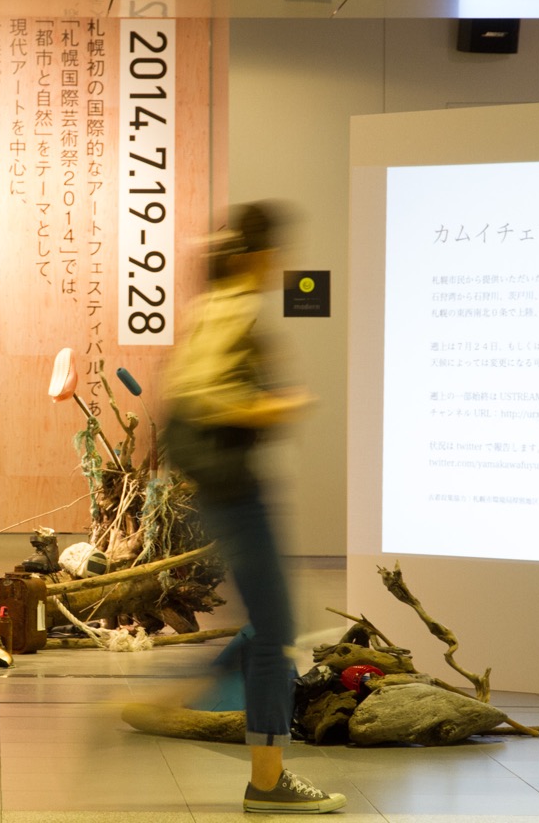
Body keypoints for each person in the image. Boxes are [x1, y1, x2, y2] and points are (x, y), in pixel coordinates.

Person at [160, 201, 347, 814]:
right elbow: (209, 399)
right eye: (278, 253)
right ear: (258, 254)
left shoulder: (213, 308)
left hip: (228, 489)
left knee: (272, 627)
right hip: (236, 490)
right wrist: (279, 405)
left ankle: (180, 690)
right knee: (275, 635)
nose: (281, 265)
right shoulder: (233, 312)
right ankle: (267, 782)